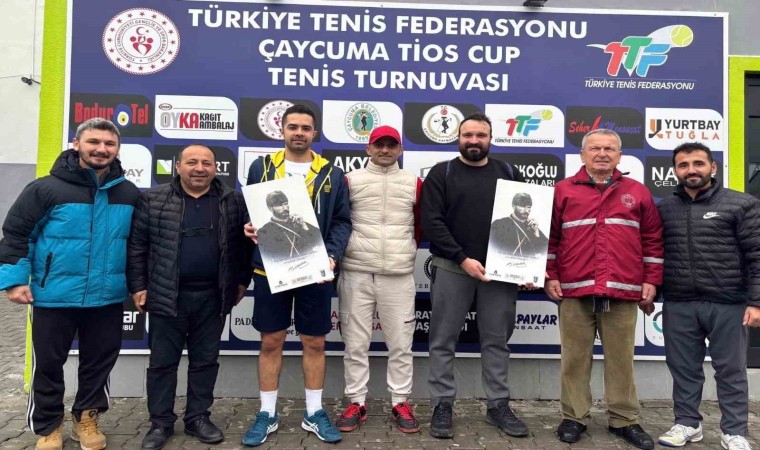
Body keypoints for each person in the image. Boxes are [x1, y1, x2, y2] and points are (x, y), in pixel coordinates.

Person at [0, 118, 139, 450]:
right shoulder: (45, 189)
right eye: (93, 142)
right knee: (48, 365)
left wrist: (138, 286)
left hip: (107, 298)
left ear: (117, 149)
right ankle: (49, 426)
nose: (101, 149)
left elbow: (137, 246)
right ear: (77, 145)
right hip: (54, 296)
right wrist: (15, 281)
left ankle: (86, 419)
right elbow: (17, 234)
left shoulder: (128, 193)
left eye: (109, 144)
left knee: (99, 363)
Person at [127, 144, 253, 450]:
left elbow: (244, 246)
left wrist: (241, 281)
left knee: (205, 362)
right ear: (178, 167)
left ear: (215, 168)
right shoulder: (153, 199)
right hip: (167, 295)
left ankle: (198, 418)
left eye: (206, 163)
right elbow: (137, 245)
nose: (200, 168)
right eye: (192, 162)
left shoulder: (233, 200)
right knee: (162, 364)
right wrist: (138, 285)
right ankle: (160, 423)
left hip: (213, 297)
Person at [544, 128, 663, 449]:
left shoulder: (637, 192)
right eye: (595, 148)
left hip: (622, 291)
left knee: (621, 359)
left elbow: (652, 240)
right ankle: (574, 417)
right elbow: (549, 239)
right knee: (574, 359)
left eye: (609, 149)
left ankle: (624, 420)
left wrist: (651, 279)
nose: (602, 154)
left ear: (619, 156)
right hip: (574, 290)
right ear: (582, 155)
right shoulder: (562, 191)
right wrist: (550, 275)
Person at [242, 104, 351, 446]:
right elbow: (249, 212)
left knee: (314, 342)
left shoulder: (332, 173)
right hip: (269, 268)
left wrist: (332, 255)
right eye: (293, 127)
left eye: (305, 128)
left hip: (316, 271)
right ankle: (267, 413)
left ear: (314, 133)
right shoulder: (262, 167)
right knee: (271, 340)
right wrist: (248, 226)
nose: (299, 133)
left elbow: (342, 221)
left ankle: (314, 412)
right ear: (283, 130)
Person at [420, 112, 529, 440]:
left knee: (496, 340)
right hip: (453, 267)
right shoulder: (442, 173)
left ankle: (498, 405)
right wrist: (462, 258)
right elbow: (432, 222)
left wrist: (524, 265)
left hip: (500, 273)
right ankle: (442, 404)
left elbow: (526, 222)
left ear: (490, 139)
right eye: (468, 135)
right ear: (459, 137)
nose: (474, 141)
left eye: (481, 135)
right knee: (443, 339)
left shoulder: (509, 173)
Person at [656, 142, 760, 450]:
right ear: (675, 171)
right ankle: (688, 424)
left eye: (698, 164)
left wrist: (756, 302)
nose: (691, 170)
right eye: (684, 165)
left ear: (712, 167)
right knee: (683, 369)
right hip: (680, 302)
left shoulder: (741, 204)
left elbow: (757, 254)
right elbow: (654, 253)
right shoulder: (664, 208)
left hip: (728, 302)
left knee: (731, 370)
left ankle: (734, 431)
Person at [335, 125, 423, 434]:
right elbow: (338, 220)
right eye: (379, 145)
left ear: (400, 150)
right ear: (368, 149)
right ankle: (356, 401)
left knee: (401, 345)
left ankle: (400, 401)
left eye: (391, 145)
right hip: (356, 272)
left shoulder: (414, 183)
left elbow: (421, 225)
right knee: (355, 344)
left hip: (398, 275)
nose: (385, 150)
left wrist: (406, 250)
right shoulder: (349, 180)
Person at [257, 190, 323, 261]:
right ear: (270, 208)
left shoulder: (299, 222)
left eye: (285, 204)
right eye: (279, 205)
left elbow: (320, 242)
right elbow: (268, 259)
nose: (285, 208)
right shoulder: (264, 232)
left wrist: (304, 226)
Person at [489, 192, 549, 259]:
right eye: (522, 206)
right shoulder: (499, 225)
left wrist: (536, 233)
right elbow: (492, 251)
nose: (526, 211)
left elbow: (545, 253)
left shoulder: (533, 227)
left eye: (528, 207)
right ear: (513, 206)